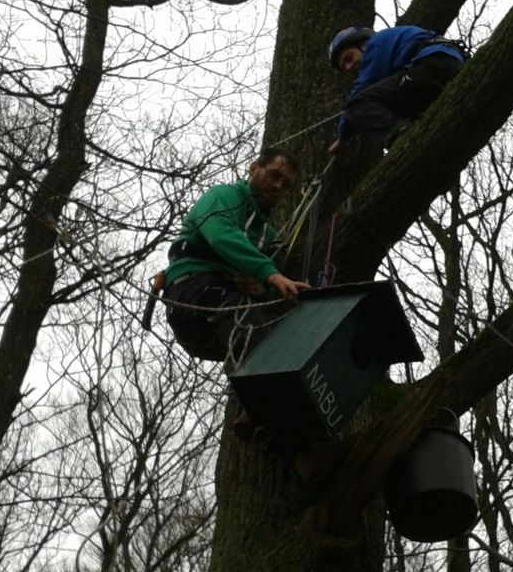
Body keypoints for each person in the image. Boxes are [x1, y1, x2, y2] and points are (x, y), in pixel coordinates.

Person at [164, 147, 309, 366]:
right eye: (274, 175)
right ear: (253, 169)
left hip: (221, 317)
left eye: (286, 184)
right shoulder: (225, 195)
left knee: (279, 334)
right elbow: (220, 234)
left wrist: (259, 288)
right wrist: (270, 274)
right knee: (254, 331)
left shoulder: (267, 235)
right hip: (192, 290)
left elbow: (266, 291)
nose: (279, 186)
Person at [327, 25, 468, 153]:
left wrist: (342, 137)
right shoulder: (392, 48)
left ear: (362, 44)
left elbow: (359, 93)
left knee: (356, 105)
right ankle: (414, 132)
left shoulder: (375, 44)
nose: (349, 66)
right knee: (392, 107)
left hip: (432, 65)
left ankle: (402, 136)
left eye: (349, 58)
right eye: (345, 67)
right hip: (444, 68)